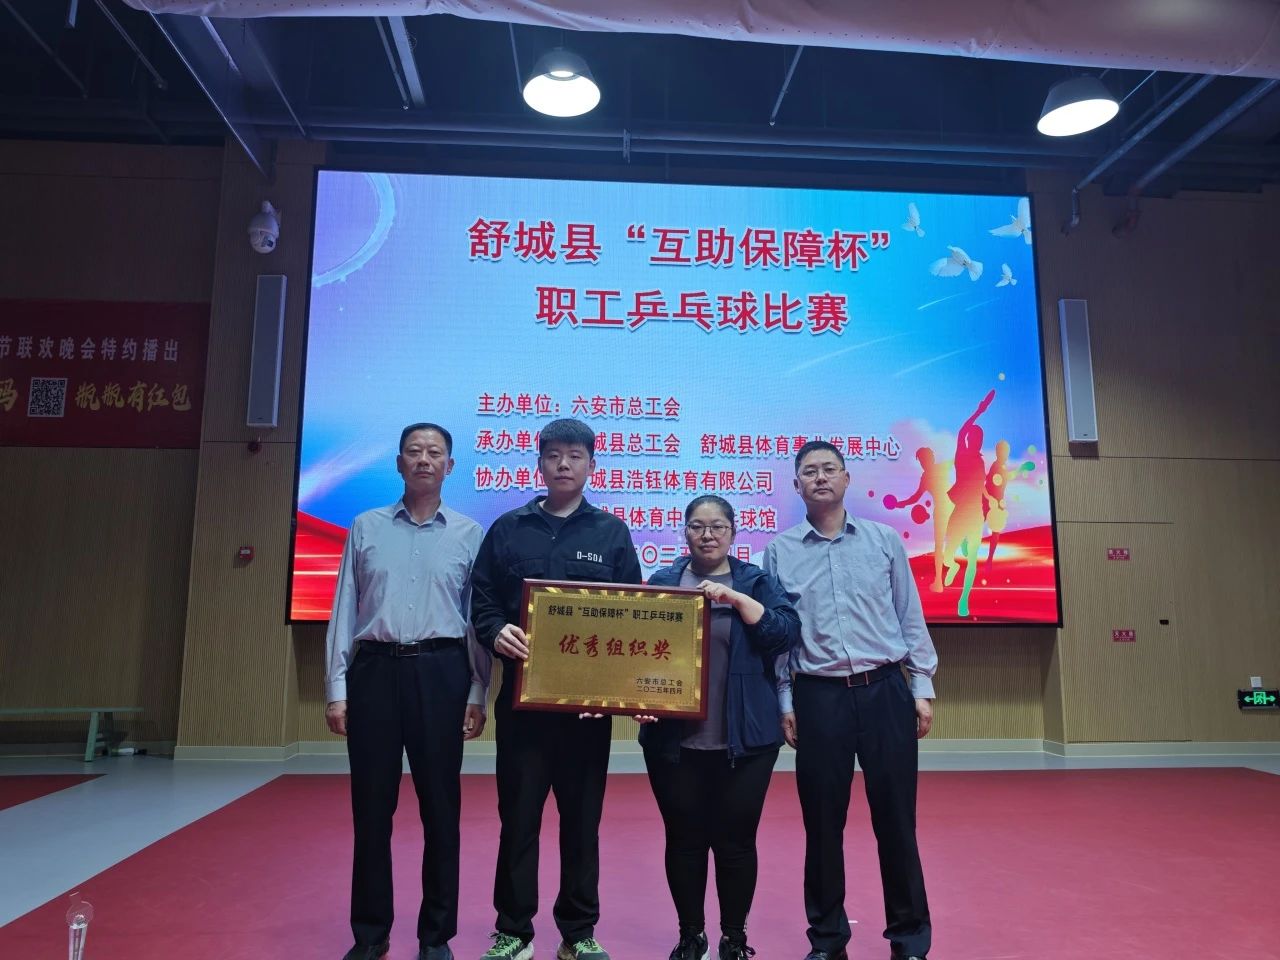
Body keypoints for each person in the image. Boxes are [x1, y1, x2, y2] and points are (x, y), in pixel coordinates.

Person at [470, 418, 643, 960]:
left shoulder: (611, 533)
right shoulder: (508, 529)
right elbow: (482, 601)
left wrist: (612, 690)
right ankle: (513, 931)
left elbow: (632, 616)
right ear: (539, 463)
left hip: (587, 714)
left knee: (582, 823)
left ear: (592, 464)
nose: (563, 464)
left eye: (575, 455)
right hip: (523, 707)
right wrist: (496, 631)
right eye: (553, 455)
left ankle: (578, 932)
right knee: (518, 820)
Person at [763, 440, 938, 960]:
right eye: (809, 472)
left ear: (846, 478)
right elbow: (780, 637)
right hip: (819, 698)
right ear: (796, 485)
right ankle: (827, 940)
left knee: (897, 822)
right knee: (822, 825)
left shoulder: (883, 540)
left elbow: (909, 616)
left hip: (885, 691)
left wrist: (921, 687)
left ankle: (909, 939)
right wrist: (785, 700)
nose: (819, 478)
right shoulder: (780, 551)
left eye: (828, 469)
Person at [325, 422, 491, 960]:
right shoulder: (365, 526)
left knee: (441, 810)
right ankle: (370, 935)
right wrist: (337, 686)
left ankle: (435, 936)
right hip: (374, 672)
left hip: (442, 673)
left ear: (450, 466)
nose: (424, 459)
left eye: (434, 452)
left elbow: (475, 620)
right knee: (371, 811)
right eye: (414, 451)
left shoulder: (469, 533)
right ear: (398, 463)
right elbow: (344, 608)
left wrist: (476, 691)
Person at [640, 495, 800, 960]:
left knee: (735, 842)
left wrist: (737, 600)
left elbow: (784, 633)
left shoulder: (756, 581)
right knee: (684, 840)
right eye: (697, 526)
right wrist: (638, 697)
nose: (707, 535)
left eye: (717, 527)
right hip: (674, 740)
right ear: (684, 532)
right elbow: (638, 650)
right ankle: (691, 935)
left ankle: (734, 938)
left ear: (733, 532)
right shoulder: (664, 582)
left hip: (746, 738)